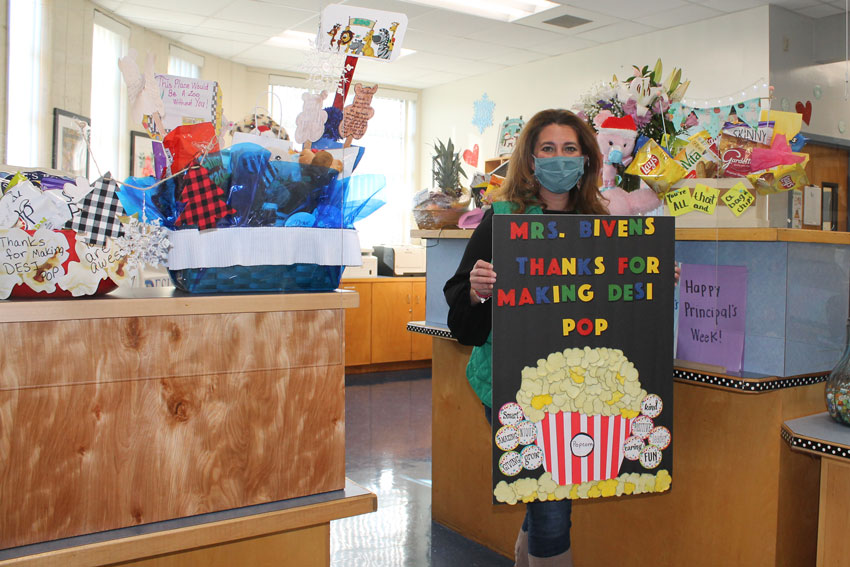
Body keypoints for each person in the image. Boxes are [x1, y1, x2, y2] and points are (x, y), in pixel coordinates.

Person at [443, 108, 609, 567]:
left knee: (552, 491)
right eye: (548, 149)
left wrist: (655, 285)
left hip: (580, 386)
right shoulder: (501, 222)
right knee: (553, 503)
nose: (560, 158)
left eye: (570, 149)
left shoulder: (602, 227)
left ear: (587, 159)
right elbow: (462, 319)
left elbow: (611, 305)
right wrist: (476, 293)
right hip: (511, 384)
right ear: (532, 161)